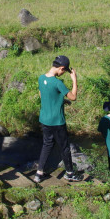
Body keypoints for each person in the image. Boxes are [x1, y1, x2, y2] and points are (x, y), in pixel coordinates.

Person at [33, 55, 83, 183]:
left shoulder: (41, 78)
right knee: (64, 147)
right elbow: (73, 97)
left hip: (44, 119)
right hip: (57, 122)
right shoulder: (57, 83)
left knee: (47, 144)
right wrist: (74, 80)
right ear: (61, 68)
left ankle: (39, 174)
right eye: (64, 71)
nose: (63, 73)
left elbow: (42, 94)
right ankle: (70, 173)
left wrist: (61, 100)